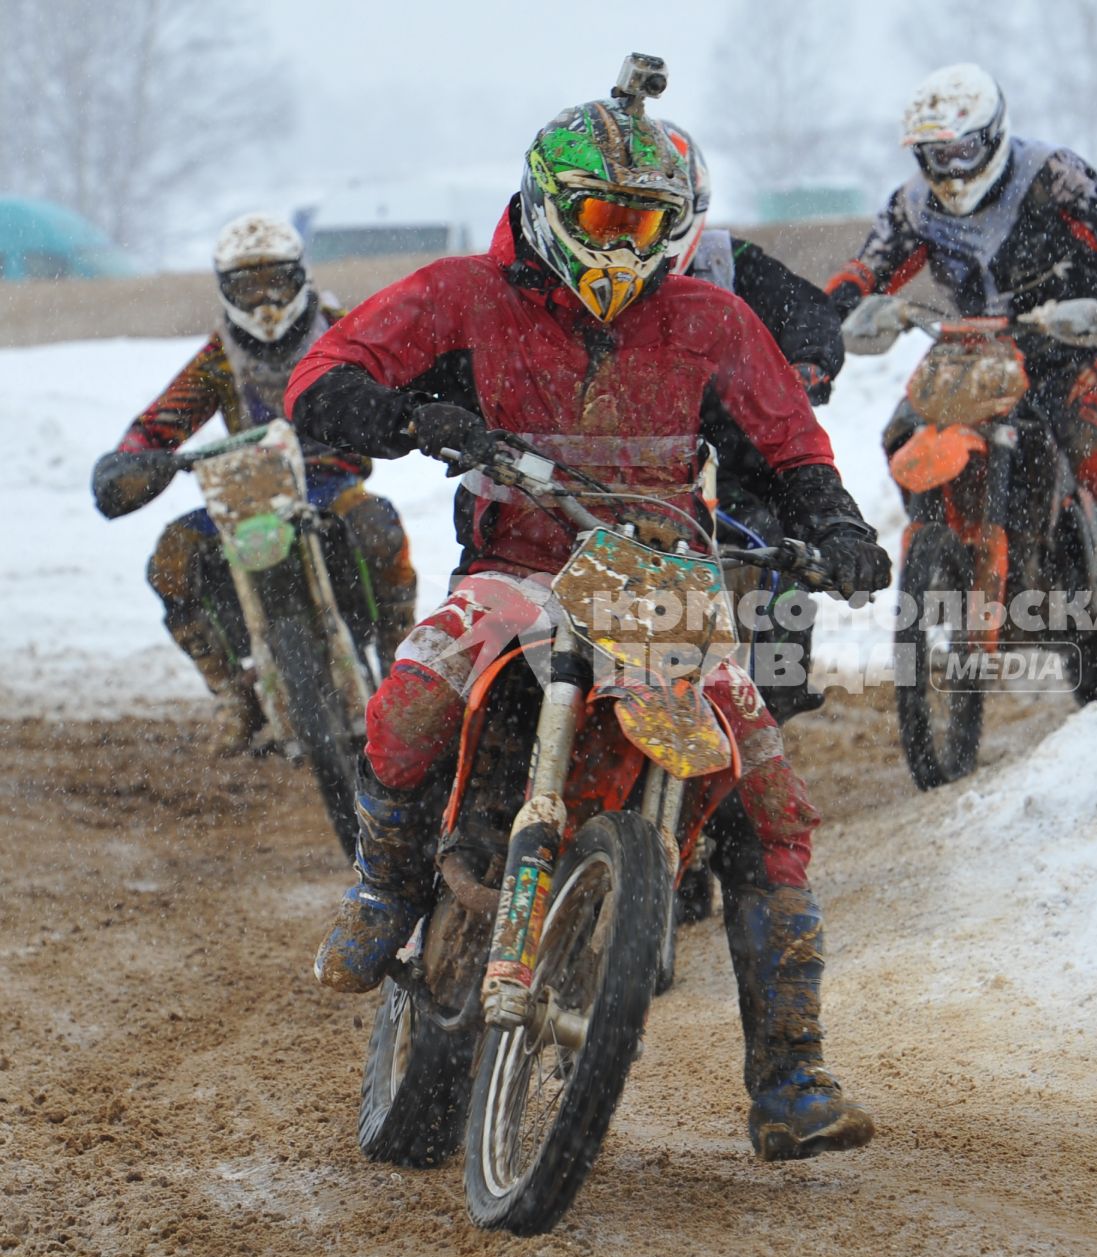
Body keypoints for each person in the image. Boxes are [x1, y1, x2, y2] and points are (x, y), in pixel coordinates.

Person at [286, 82, 889, 1161]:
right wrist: (402, 415)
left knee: (771, 802)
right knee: (414, 696)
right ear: (551, 205)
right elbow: (322, 380)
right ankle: (382, 884)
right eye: (606, 217)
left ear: (680, 227)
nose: (626, 243)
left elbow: (793, 448)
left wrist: (836, 529)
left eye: (648, 222)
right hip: (518, 568)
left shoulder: (712, 318)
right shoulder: (463, 292)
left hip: (662, 584)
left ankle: (790, 1073)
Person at [827, 63, 1097, 678]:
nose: (949, 170)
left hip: (1077, 340)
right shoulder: (915, 204)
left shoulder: (1051, 174)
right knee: (902, 428)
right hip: (980, 348)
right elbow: (867, 265)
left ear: (993, 137)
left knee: (1093, 444)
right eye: (932, 155)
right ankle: (955, 546)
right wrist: (836, 303)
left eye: (962, 150)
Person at [90, 214, 417, 752]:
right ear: (226, 290)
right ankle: (231, 691)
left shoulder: (344, 329)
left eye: (276, 281)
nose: (265, 299)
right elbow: (158, 424)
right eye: (248, 285)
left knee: (380, 527)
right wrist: (132, 460)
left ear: (300, 277)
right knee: (170, 560)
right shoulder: (220, 359)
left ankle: (400, 667)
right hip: (247, 491)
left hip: (331, 482)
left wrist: (419, 410)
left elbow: (406, 369)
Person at [661, 120, 845, 724]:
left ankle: (778, 686)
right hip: (623, 455)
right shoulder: (585, 275)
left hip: (732, 455)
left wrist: (809, 362)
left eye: (660, 209)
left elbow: (804, 306)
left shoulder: (726, 259)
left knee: (780, 544)